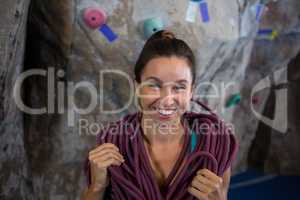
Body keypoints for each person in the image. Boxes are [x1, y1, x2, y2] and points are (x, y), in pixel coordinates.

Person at [81, 30, 238, 200]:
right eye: (154, 85)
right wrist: (96, 187)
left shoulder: (216, 145)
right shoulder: (112, 144)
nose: (166, 100)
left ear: (191, 91)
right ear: (137, 87)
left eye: (179, 87)